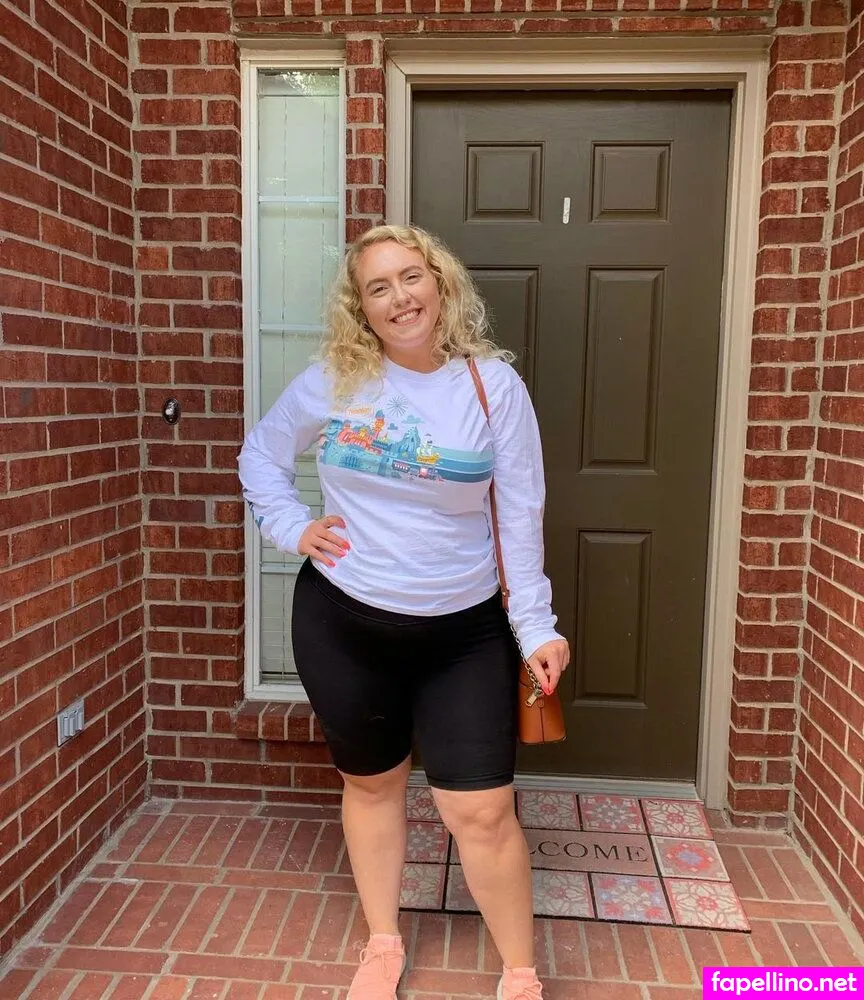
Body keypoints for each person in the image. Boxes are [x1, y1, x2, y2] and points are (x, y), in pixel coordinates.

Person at [238, 225, 569, 1000]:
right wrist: (293, 527)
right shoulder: (335, 380)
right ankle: (382, 942)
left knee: (480, 810)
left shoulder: (492, 387)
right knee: (373, 786)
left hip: (463, 635)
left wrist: (536, 625)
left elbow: (521, 513)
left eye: (411, 277)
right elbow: (261, 456)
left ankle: (520, 973)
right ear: (362, 308)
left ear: (440, 283)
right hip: (344, 625)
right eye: (378, 287)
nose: (400, 298)